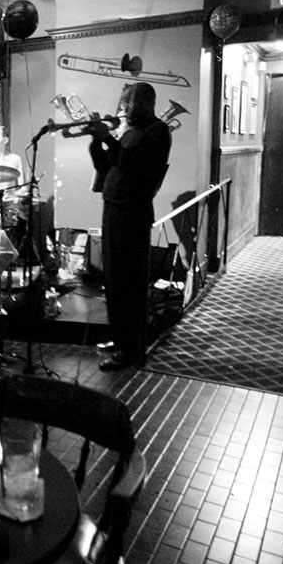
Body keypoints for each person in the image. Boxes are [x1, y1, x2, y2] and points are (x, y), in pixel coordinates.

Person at [88, 82, 172, 371]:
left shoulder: (157, 131)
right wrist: (95, 141)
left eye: (128, 104)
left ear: (144, 104)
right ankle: (119, 337)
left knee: (129, 284)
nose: (124, 109)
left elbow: (132, 165)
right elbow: (106, 166)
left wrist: (109, 139)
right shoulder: (130, 131)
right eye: (124, 104)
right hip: (113, 207)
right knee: (113, 279)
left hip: (132, 212)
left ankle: (131, 349)